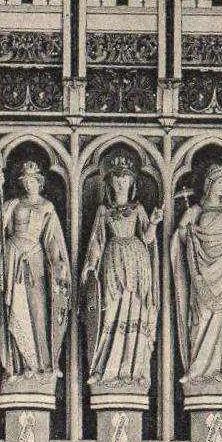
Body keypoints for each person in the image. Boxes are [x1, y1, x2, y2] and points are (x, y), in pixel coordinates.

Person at [0, 157, 72, 381]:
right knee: (14, 308)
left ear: (40, 182)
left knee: (39, 311)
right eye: (25, 181)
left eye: (32, 181)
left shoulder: (46, 207)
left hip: (35, 258)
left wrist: (58, 262)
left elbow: (52, 239)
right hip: (12, 257)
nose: (28, 185)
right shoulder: (13, 204)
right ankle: (19, 366)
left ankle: (44, 364)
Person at [170, 162, 222, 387]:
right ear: (209, 184)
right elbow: (180, 239)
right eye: (219, 183)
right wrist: (185, 228)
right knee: (201, 320)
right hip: (201, 275)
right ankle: (197, 369)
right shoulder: (196, 211)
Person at [82, 151, 163, 389]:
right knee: (111, 311)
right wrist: (90, 265)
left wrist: (155, 223)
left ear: (132, 184)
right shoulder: (103, 212)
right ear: (109, 184)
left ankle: (133, 369)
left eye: (125, 180)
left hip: (137, 264)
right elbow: (97, 241)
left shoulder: (138, 210)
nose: (120, 183)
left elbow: (147, 239)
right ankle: (104, 368)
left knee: (134, 310)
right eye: (116, 180)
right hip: (113, 262)